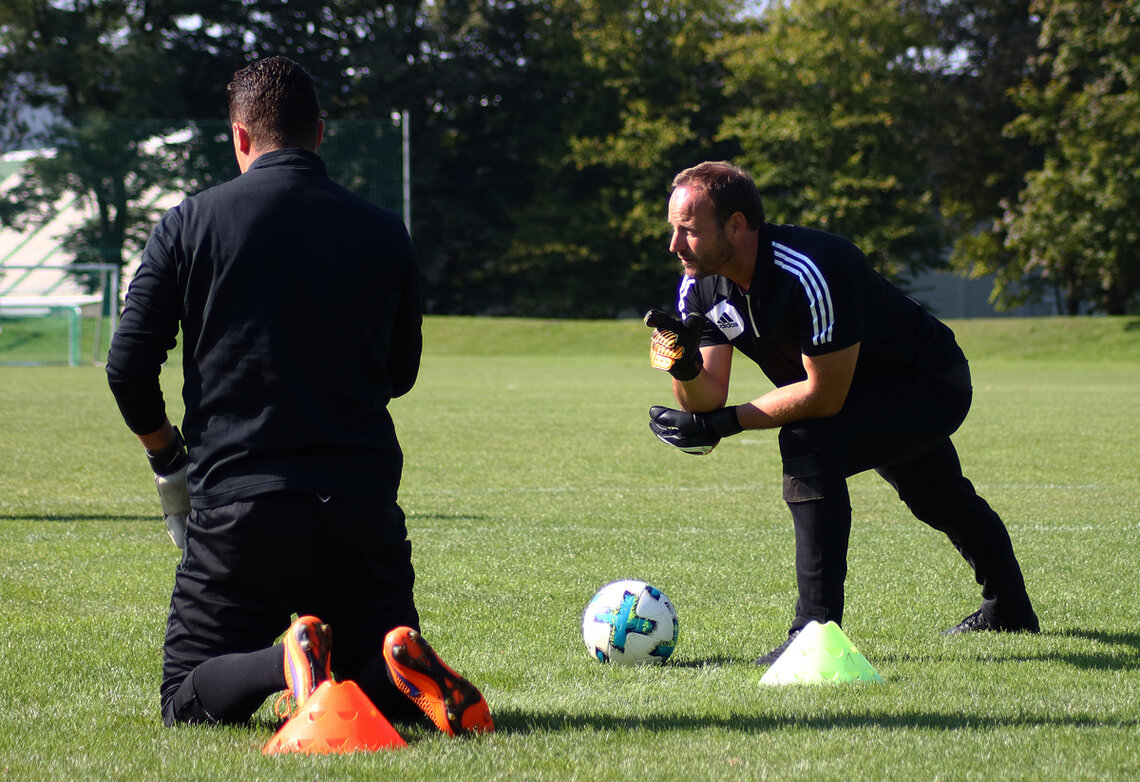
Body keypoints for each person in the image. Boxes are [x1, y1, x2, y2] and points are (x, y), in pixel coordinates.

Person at [106, 56, 493, 735]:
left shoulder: (189, 224)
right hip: (358, 504)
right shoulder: (383, 230)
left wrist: (169, 458)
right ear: (320, 133)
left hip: (243, 508)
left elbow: (128, 366)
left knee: (184, 698)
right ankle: (389, 670)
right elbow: (399, 375)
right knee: (375, 674)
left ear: (240, 137)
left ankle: (282, 659)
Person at [644, 161, 1039, 665]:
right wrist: (683, 367)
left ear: (737, 225)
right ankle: (1009, 608)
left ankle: (814, 630)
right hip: (856, 394)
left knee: (810, 443)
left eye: (690, 230)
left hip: (928, 383)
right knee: (935, 496)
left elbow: (823, 397)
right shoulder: (699, 284)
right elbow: (709, 396)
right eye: (673, 229)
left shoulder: (812, 267)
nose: (675, 245)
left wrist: (724, 425)